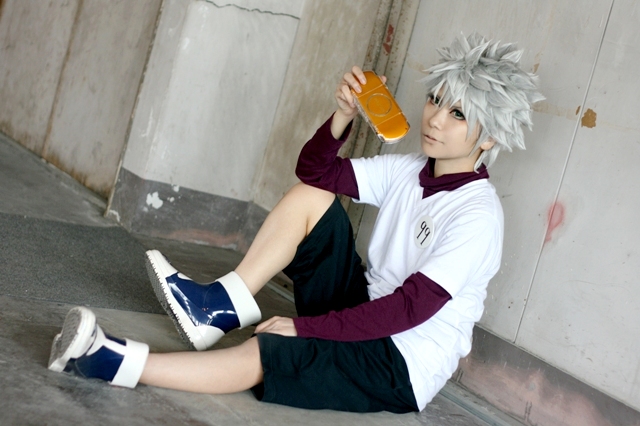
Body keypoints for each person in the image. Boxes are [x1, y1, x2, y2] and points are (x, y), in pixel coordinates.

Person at [48, 33, 543, 413]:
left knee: (270, 351)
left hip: (400, 361)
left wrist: (305, 329)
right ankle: (216, 306)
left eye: (458, 114)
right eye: (436, 99)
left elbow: (408, 311)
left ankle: (111, 361)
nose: (435, 119)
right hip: (366, 306)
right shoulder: (409, 169)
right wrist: (342, 116)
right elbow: (315, 173)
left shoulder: (478, 215)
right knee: (313, 198)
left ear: (489, 139)